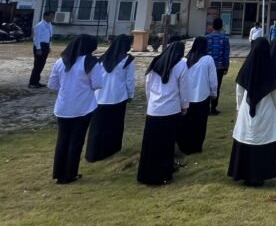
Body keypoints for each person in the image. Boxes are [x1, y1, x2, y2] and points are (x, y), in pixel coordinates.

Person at [48, 34, 104, 184]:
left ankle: (59, 173)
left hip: (63, 106)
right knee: (76, 141)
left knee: (62, 140)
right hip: (83, 107)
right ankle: (70, 173)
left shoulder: (61, 62)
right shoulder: (90, 63)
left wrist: (67, 87)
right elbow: (98, 84)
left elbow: (52, 84)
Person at [228, 38, 276, 187]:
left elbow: (239, 90)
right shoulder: (270, 69)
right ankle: (259, 175)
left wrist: (239, 107)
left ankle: (244, 174)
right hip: (265, 110)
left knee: (247, 139)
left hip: (247, 109)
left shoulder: (247, 67)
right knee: (262, 141)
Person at [137, 41, 190, 186]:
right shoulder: (180, 65)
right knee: (166, 144)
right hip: (171, 109)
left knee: (150, 144)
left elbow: (147, 86)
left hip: (154, 110)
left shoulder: (155, 63)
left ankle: (146, 173)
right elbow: (183, 88)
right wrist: (185, 105)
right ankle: (163, 173)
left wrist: (151, 103)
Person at [85, 34, 134, 162]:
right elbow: (129, 80)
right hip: (118, 96)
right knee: (115, 126)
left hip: (100, 97)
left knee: (97, 126)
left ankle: (93, 152)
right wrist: (130, 95)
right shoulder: (127, 60)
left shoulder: (102, 58)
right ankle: (111, 149)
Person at [177, 37, 218, 155]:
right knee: (200, 124)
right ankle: (197, 146)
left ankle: (185, 145)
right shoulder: (208, 59)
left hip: (187, 98)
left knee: (187, 123)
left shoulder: (185, 60)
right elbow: (213, 80)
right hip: (202, 96)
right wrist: (213, 93)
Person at [206, 17, 230, 115]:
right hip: (219, 67)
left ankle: (206, 107)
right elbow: (226, 54)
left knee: (207, 86)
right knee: (216, 87)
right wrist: (226, 67)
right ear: (221, 26)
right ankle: (213, 108)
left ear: (213, 26)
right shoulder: (224, 38)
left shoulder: (206, 38)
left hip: (207, 66)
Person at [29, 10, 54, 88]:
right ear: (45, 16)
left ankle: (37, 81)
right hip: (40, 45)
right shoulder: (39, 25)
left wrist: (50, 46)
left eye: (53, 16)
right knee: (37, 65)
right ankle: (32, 83)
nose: (52, 18)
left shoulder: (50, 25)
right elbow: (36, 38)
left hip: (46, 45)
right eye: (51, 16)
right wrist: (38, 48)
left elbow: (50, 37)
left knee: (42, 64)